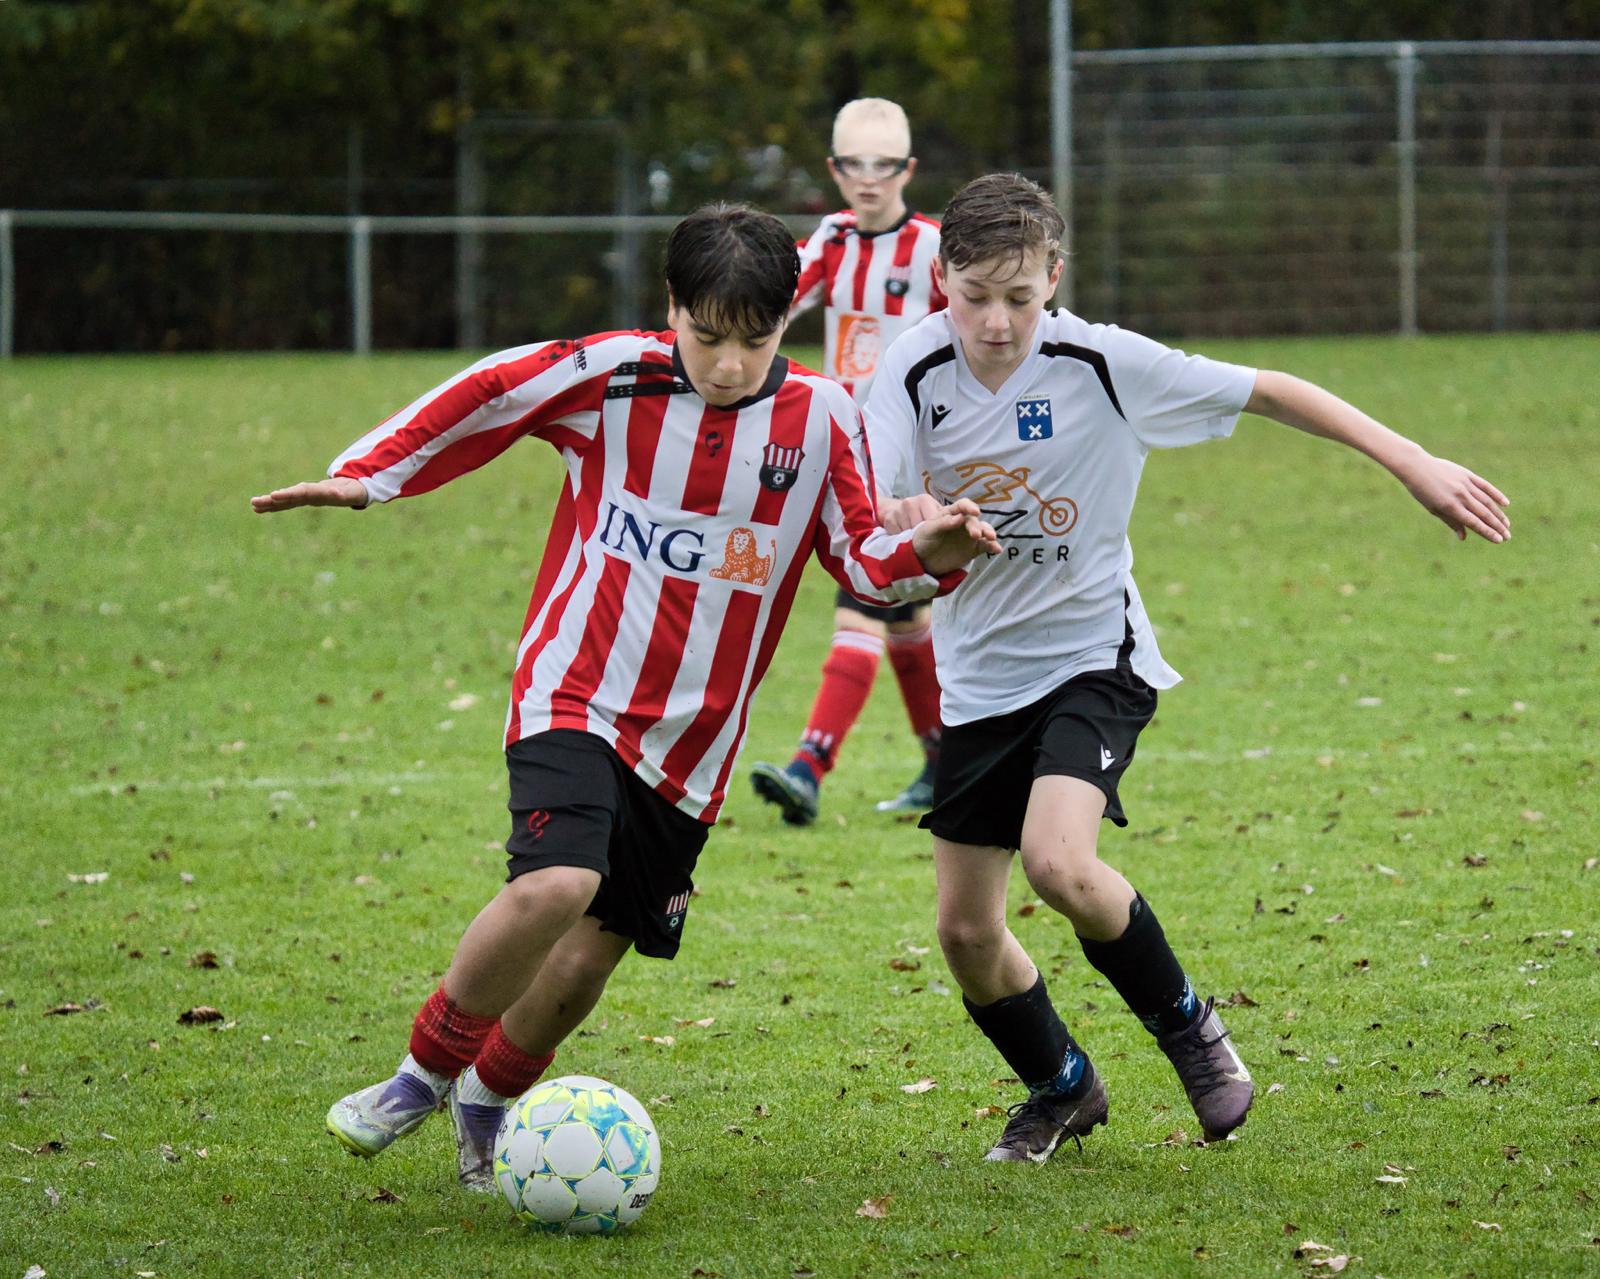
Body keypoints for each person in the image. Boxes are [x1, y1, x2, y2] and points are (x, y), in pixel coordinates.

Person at [249, 203, 999, 1191]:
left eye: (755, 340)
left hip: (694, 744)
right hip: (578, 686)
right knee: (556, 883)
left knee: (589, 957)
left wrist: (935, 548)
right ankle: (422, 1075)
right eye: (707, 337)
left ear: (787, 324)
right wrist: (367, 477)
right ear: (671, 308)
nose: (729, 364)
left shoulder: (824, 419)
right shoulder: (610, 372)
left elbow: (859, 551)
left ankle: (489, 1100)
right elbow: (486, 393)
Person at [864, 173, 1511, 1162]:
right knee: (963, 934)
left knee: (1060, 862)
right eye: (973, 296)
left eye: (1020, 298)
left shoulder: (1100, 362)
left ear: (1054, 279)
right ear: (936, 275)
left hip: (1093, 654)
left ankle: (1194, 1036)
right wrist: (915, 532)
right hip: (979, 681)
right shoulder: (908, 375)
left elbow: (1271, 390)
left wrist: (1410, 459)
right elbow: (878, 547)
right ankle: (1062, 1085)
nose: (995, 322)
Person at [749, 98, 948, 827]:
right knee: (900, 613)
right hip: (847, 452)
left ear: (907, 169)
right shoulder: (831, 240)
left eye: (884, 164)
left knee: (867, 601)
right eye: (854, 164)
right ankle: (941, 760)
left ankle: (810, 764)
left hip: (914, 462)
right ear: (835, 170)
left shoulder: (932, 248)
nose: (869, 178)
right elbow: (769, 307)